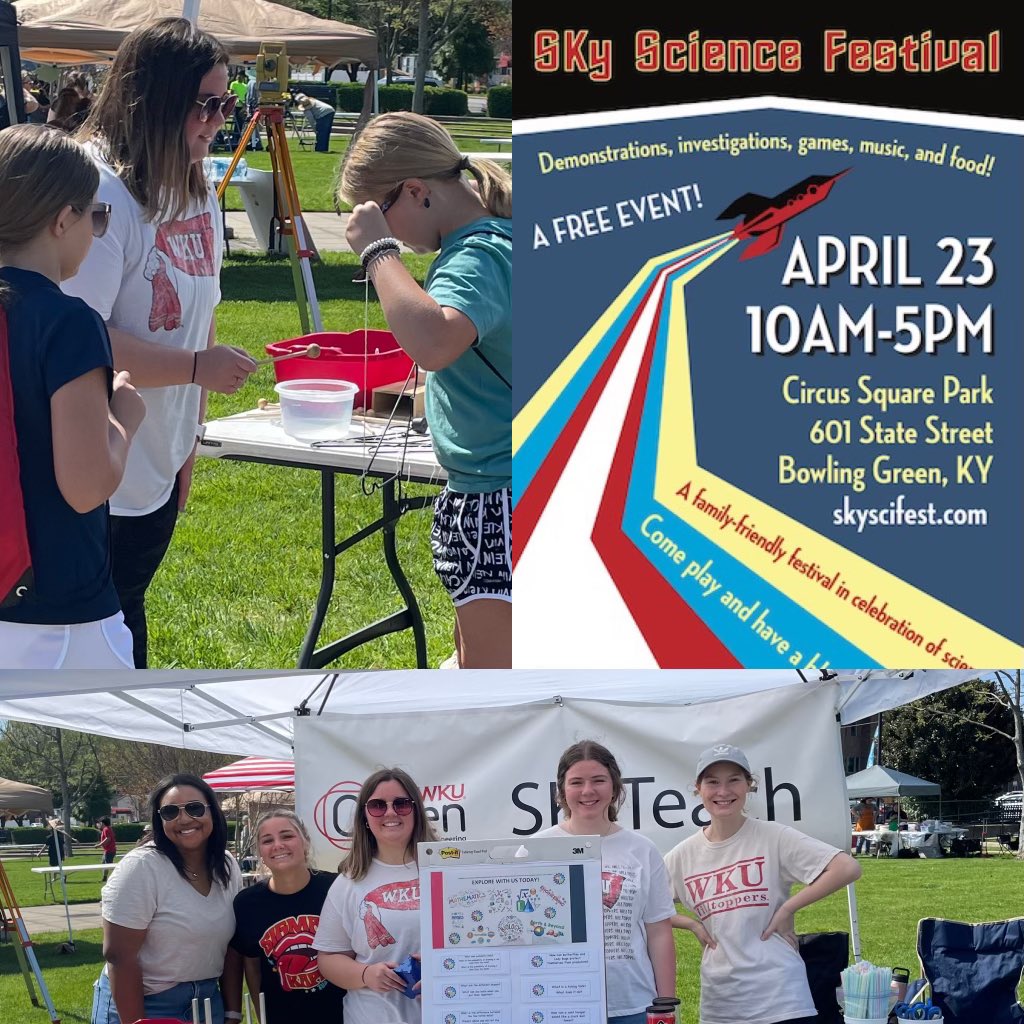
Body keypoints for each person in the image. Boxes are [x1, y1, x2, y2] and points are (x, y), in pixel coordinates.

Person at [63, 18, 257, 668]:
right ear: (155, 100)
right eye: (207, 103)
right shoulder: (99, 195)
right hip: (95, 467)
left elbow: (203, 316)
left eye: (228, 103)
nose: (220, 119)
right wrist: (196, 368)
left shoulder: (197, 190)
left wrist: (188, 445)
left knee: (126, 623)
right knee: (103, 645)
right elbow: (74, 337)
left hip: (159, 463)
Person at [339, 112, 512, 668]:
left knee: (495, 685)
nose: (385, 230)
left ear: (416, 190)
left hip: (498, 496)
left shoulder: (477, 255)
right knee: (472, 665)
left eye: (378, 214)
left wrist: (377, 254)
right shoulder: (500, 238)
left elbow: (434, 340)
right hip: (499, 488)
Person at [0, 124, 145, 668]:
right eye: (97, 215)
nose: (97, 229)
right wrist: (122, 418)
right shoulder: (67, 323)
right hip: (60, 619)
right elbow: (85, 487)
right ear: (63, 219)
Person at [665, 745, 861, 1024]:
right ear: (698, 788)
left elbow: (847, 867)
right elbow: (643, 903)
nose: (723, 791)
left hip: (783, 999)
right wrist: (692, 924)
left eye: (734, 779)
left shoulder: (772, 836)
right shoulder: (683, 855)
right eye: (712, 782)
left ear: (749, 785)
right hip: (721, 1005)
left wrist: (788, 908)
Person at [537, 740, 676, 1024]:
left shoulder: (641, 849)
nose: (588, 791)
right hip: (559, 1006)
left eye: (598, 780)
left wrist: (666, 1006)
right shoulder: (536, 849)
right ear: (562, 790)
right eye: (577, 782)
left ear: (615, 786)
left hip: (633, 1004)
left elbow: (659, 932)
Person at [90, 773, 244, 1024]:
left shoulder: (226, 865)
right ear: (159, 820)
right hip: (145, 1003)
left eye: (195, 808)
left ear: (213, 813)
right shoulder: (142, 867)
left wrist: (232, 1012)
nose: (184, 818)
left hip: (207, 1001)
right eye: (170, 812)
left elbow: (231, 945)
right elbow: (119, 956)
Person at [314, 767, 436, 1024]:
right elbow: (328, 959)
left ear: (416, 811)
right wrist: (366, 974)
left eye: (401, 804)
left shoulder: (446, 869)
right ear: (365, 817)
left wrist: (449, 969)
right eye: (378, 805)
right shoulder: (348, 882)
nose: (390, 812)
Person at [230, 809, 345, 1021]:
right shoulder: (247, 903)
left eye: (287, 836)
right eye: (267, 840)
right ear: (260, 852)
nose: (278, 845)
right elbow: (252, 966)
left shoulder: (338, 888)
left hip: (342, 1014)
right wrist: (261, 1015)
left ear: (305, 842)